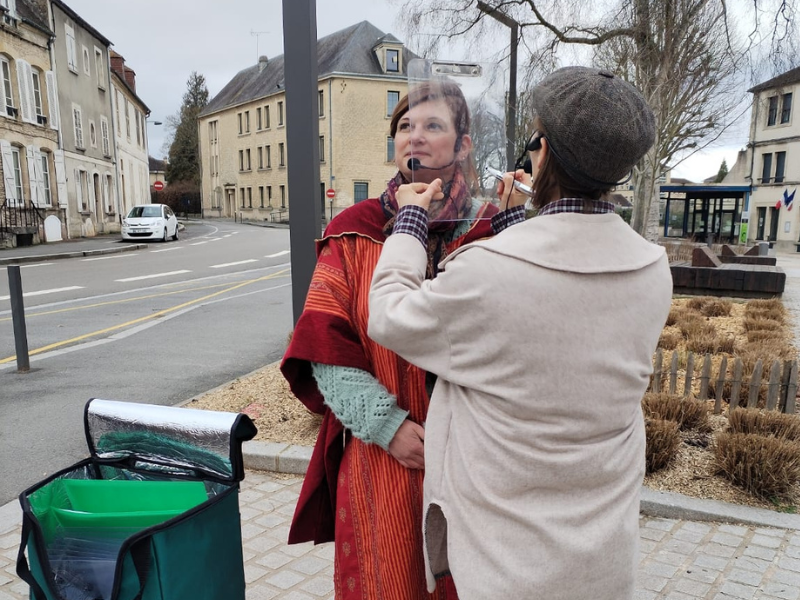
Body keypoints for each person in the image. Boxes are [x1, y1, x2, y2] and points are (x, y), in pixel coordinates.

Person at [367, 67, 674, 600]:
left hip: (507, 562)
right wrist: (517, 224)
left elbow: (390, 314)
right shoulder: (652, 269)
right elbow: (554, 307)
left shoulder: (487, 269)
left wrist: (411, 221)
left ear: (544, 152)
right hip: (601, 554)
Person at [281, 80, 523, 599]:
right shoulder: (353, 230)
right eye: (404, 127)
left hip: (472, 460)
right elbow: (326, 347)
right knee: (385, 581)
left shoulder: (491, 228)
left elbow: (523, 335)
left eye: (432, 125)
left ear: (463, 144)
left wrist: (515, 223)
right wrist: (387, 427)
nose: (414, 138)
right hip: (383, 462)